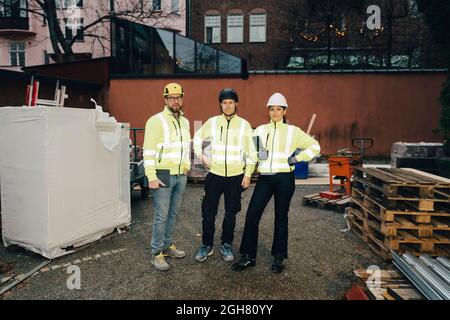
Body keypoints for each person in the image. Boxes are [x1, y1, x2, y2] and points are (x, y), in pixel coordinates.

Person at [232, 92, 320, 273]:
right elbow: (252, 155)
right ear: (268, 111)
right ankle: (248, 256)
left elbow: (315, 147)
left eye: (278, 109)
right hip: (265, 179)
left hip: (284, 179)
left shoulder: (293, 132)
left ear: (284, 111)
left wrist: (296, 159)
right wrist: (248, 174)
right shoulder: (259, 132)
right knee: (252, 216)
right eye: (271, 109)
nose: (275, 112)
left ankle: (278, 258)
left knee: (281, 218)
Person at [193, 88, 255, 263]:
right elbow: (197, 137)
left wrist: (248, 173)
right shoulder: (212, 122)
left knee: (231, 213)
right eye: (224, 102)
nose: (227, 106)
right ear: (220, 104)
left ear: (236, 104)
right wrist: (201, 155)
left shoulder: (244, 125)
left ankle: (226, 244)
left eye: (230, 102)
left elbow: (252, 152)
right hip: (215, 175)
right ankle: (206, 245)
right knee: (208, 212)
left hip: (235, 176)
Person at [143, 83, 191, 271]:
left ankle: (167, 245)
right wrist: (151, 176)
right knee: (161, 215)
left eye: (178, 97)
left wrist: (186, 165)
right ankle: (156, 254)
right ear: (165, 99)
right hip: (162, 173)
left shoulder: (185, 122)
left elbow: (185, 146)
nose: (175, 100)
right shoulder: (156, 120)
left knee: (173, 213)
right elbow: (148, 151)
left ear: (182, 99)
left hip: (180, 174)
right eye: (171, 98)